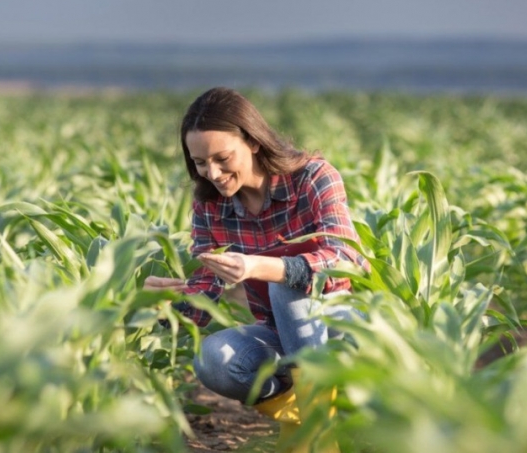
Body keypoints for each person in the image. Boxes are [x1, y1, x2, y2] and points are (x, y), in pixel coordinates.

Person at [144, 87, 369, 452]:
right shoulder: (211, 207)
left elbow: (346, 257)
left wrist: (262, 266)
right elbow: (203, 293)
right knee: (214, 360)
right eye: (200, 163)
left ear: (252, 141)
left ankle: (316, 439)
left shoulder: (312, 178)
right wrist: (157, 302)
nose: (213, 173)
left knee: (284, 284)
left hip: (343, 324)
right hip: (281, 333)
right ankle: (309, 418)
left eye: (222, 157)